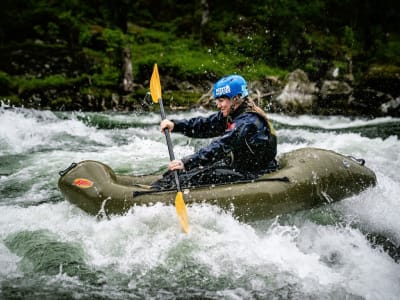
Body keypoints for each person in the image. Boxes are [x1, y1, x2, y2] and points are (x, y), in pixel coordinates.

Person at [151, 74, 278, 190]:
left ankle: (161, 191)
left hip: (254, 172)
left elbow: (220, 146)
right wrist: (175, 125)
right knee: (183, 172)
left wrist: (186, 162)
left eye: (222, 100)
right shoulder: (232, 114)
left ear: (236, 98)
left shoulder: (247, 122)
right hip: (238, 165)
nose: (218, 105)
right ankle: (160, 185)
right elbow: (205, 125)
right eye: (217, 100)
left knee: (196, 177)